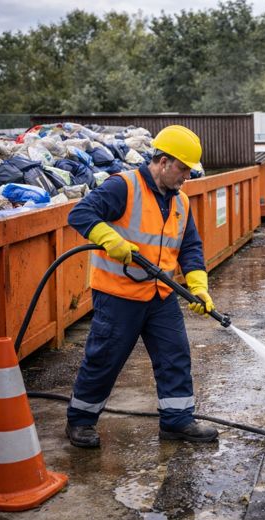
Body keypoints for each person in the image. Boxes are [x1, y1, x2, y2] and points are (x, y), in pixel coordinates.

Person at [65, 125, 219, 448]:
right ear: (163, 162)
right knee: (104, 359)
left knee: (175, 355)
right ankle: (80, 421)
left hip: (160, 295)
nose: (186, 177)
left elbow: (190, 247)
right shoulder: (123, 187)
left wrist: (199, 287)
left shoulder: (181, 202)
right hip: (119, 295)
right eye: (182, 169)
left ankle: (177, 421)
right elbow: (80, 213)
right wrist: (110, 239)